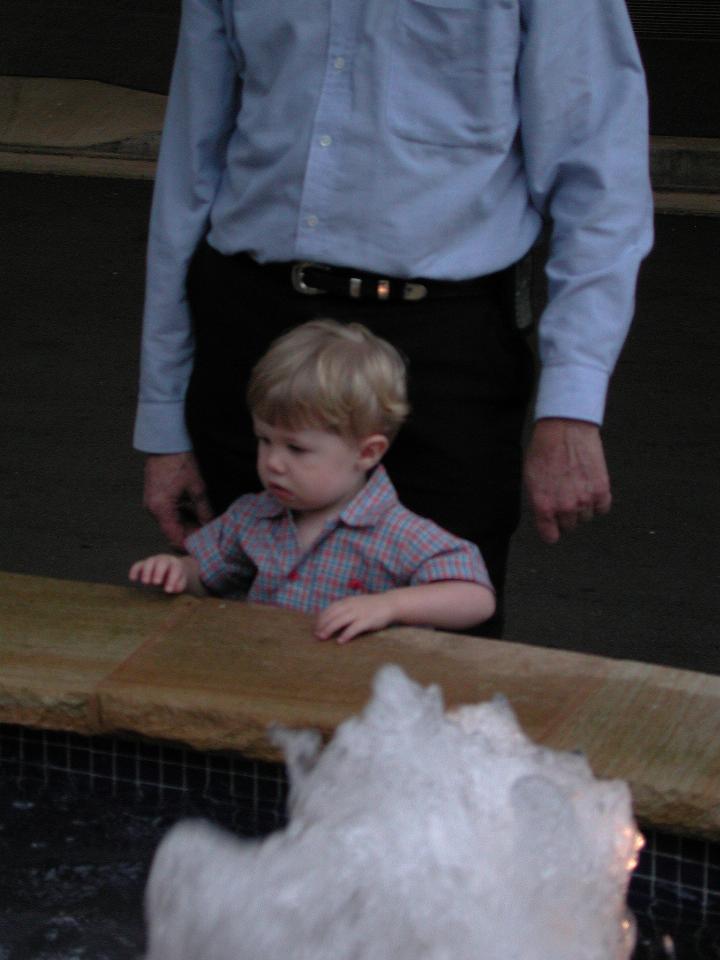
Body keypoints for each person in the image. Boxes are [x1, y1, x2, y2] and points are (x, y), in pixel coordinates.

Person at [133, 0, 654, 636]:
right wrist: (164, 424)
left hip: (440, 348)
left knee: (437, 674)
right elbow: (190, 168)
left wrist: (570, 409)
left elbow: (601, 183)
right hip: (255, 334)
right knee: (231, 649)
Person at [130, 321, 496, 643]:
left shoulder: (398, 533)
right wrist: (178, 572)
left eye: (297, 449)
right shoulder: (253, 517)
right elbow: (207, 576)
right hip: (261, 681)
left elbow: (475, 597)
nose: (273, 462)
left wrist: (390, 606)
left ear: (367, 452)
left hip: (358, 704)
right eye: (264, 440)